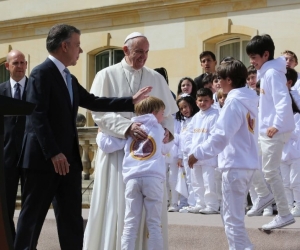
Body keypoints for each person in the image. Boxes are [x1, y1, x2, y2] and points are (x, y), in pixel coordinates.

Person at [14, 24, 151, 250]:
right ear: (64, 46)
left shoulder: (68, 77)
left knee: (71, 221)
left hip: (68, 162)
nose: (80, 50)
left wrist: (130, 101)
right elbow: (37, 117)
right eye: (77, 45)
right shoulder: (41, 73)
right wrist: (53, 153)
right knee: (32, 219)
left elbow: (93, 101)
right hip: (44, 162)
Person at [83, 32, 178, 250]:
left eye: (146, 52)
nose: (143, 57)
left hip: (149, 158)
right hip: (118, 156)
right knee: (118, 207)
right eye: (138, 52)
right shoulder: (105, 75)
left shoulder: (156, 77)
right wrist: (126, 127)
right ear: (125, 51)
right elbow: (98, 113)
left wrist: (167, 133)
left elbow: (170, 116)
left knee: (150, 216)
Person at [188, 60, 259, 249]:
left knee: (231, 218)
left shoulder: (234, 101)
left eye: (220, 78)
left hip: (235, 165)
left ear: (229, 79)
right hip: (245, 163)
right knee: (233, 216)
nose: (217, 82)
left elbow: (221, 136)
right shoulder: (248, 98)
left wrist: (198, 153)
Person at [97, 96, 168, 250]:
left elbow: (107, 145)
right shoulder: (160, 129)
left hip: (132, 179)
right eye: (162, 113)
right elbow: (166, 149)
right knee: (154, 223)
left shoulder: (130, 129)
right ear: (155, 112)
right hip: (153, 178)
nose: (164, 116)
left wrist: (101, 132)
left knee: (130, 222)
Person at [246, 34, 295, 230]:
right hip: (267, 129)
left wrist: (276, 124)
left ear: (266, 55)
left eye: (254, 57)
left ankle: (284, 213)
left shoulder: (273, 74)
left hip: (274, 130)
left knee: (270, 171)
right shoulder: (267, 72)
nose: (251, 62)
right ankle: (264, 196)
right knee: (251, 158)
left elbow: (283, 100)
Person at [0, 50, 27, 241]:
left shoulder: (36, 89)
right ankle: (10, 242)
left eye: (23, 63)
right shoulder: (0, 91)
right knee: (6, 205)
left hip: (31, 156)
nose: (20, 66)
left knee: (29, 206)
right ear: (7, 66)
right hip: (6, 158)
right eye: (15, 63)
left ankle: (26, 243)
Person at [185, 88, 219, 214]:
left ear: (211, 101)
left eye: (206, 100)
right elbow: (189, 136)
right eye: (200, 100)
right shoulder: (196, 117)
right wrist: (191, 151)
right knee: (197, 182)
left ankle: (212, 205)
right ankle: (200, 203)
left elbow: (214, 137)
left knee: (209, 181)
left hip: (208, 155)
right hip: (194, 155)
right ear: (196, 101)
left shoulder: (215, 115)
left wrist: (201, 151)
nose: (203, 103)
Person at [280, 68, 300, 216]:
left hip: (295, 151)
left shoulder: (297, 112)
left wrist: (283, 130)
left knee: (295, 182)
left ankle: (298, 206)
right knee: (285, 182)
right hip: (281, 150)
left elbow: (296, 132)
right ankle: (288, 205)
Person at [175, 94, 199, 213]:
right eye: (181, 108)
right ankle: (191, 203)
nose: (184, 110)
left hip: (194, 155)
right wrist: (180, 156)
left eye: (186, 106)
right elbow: (181, 140)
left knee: (196, 179)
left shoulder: (196, 119)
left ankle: (197, 202)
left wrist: (193, 153)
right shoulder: (183, 122)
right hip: (185, 155)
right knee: (189, 179)